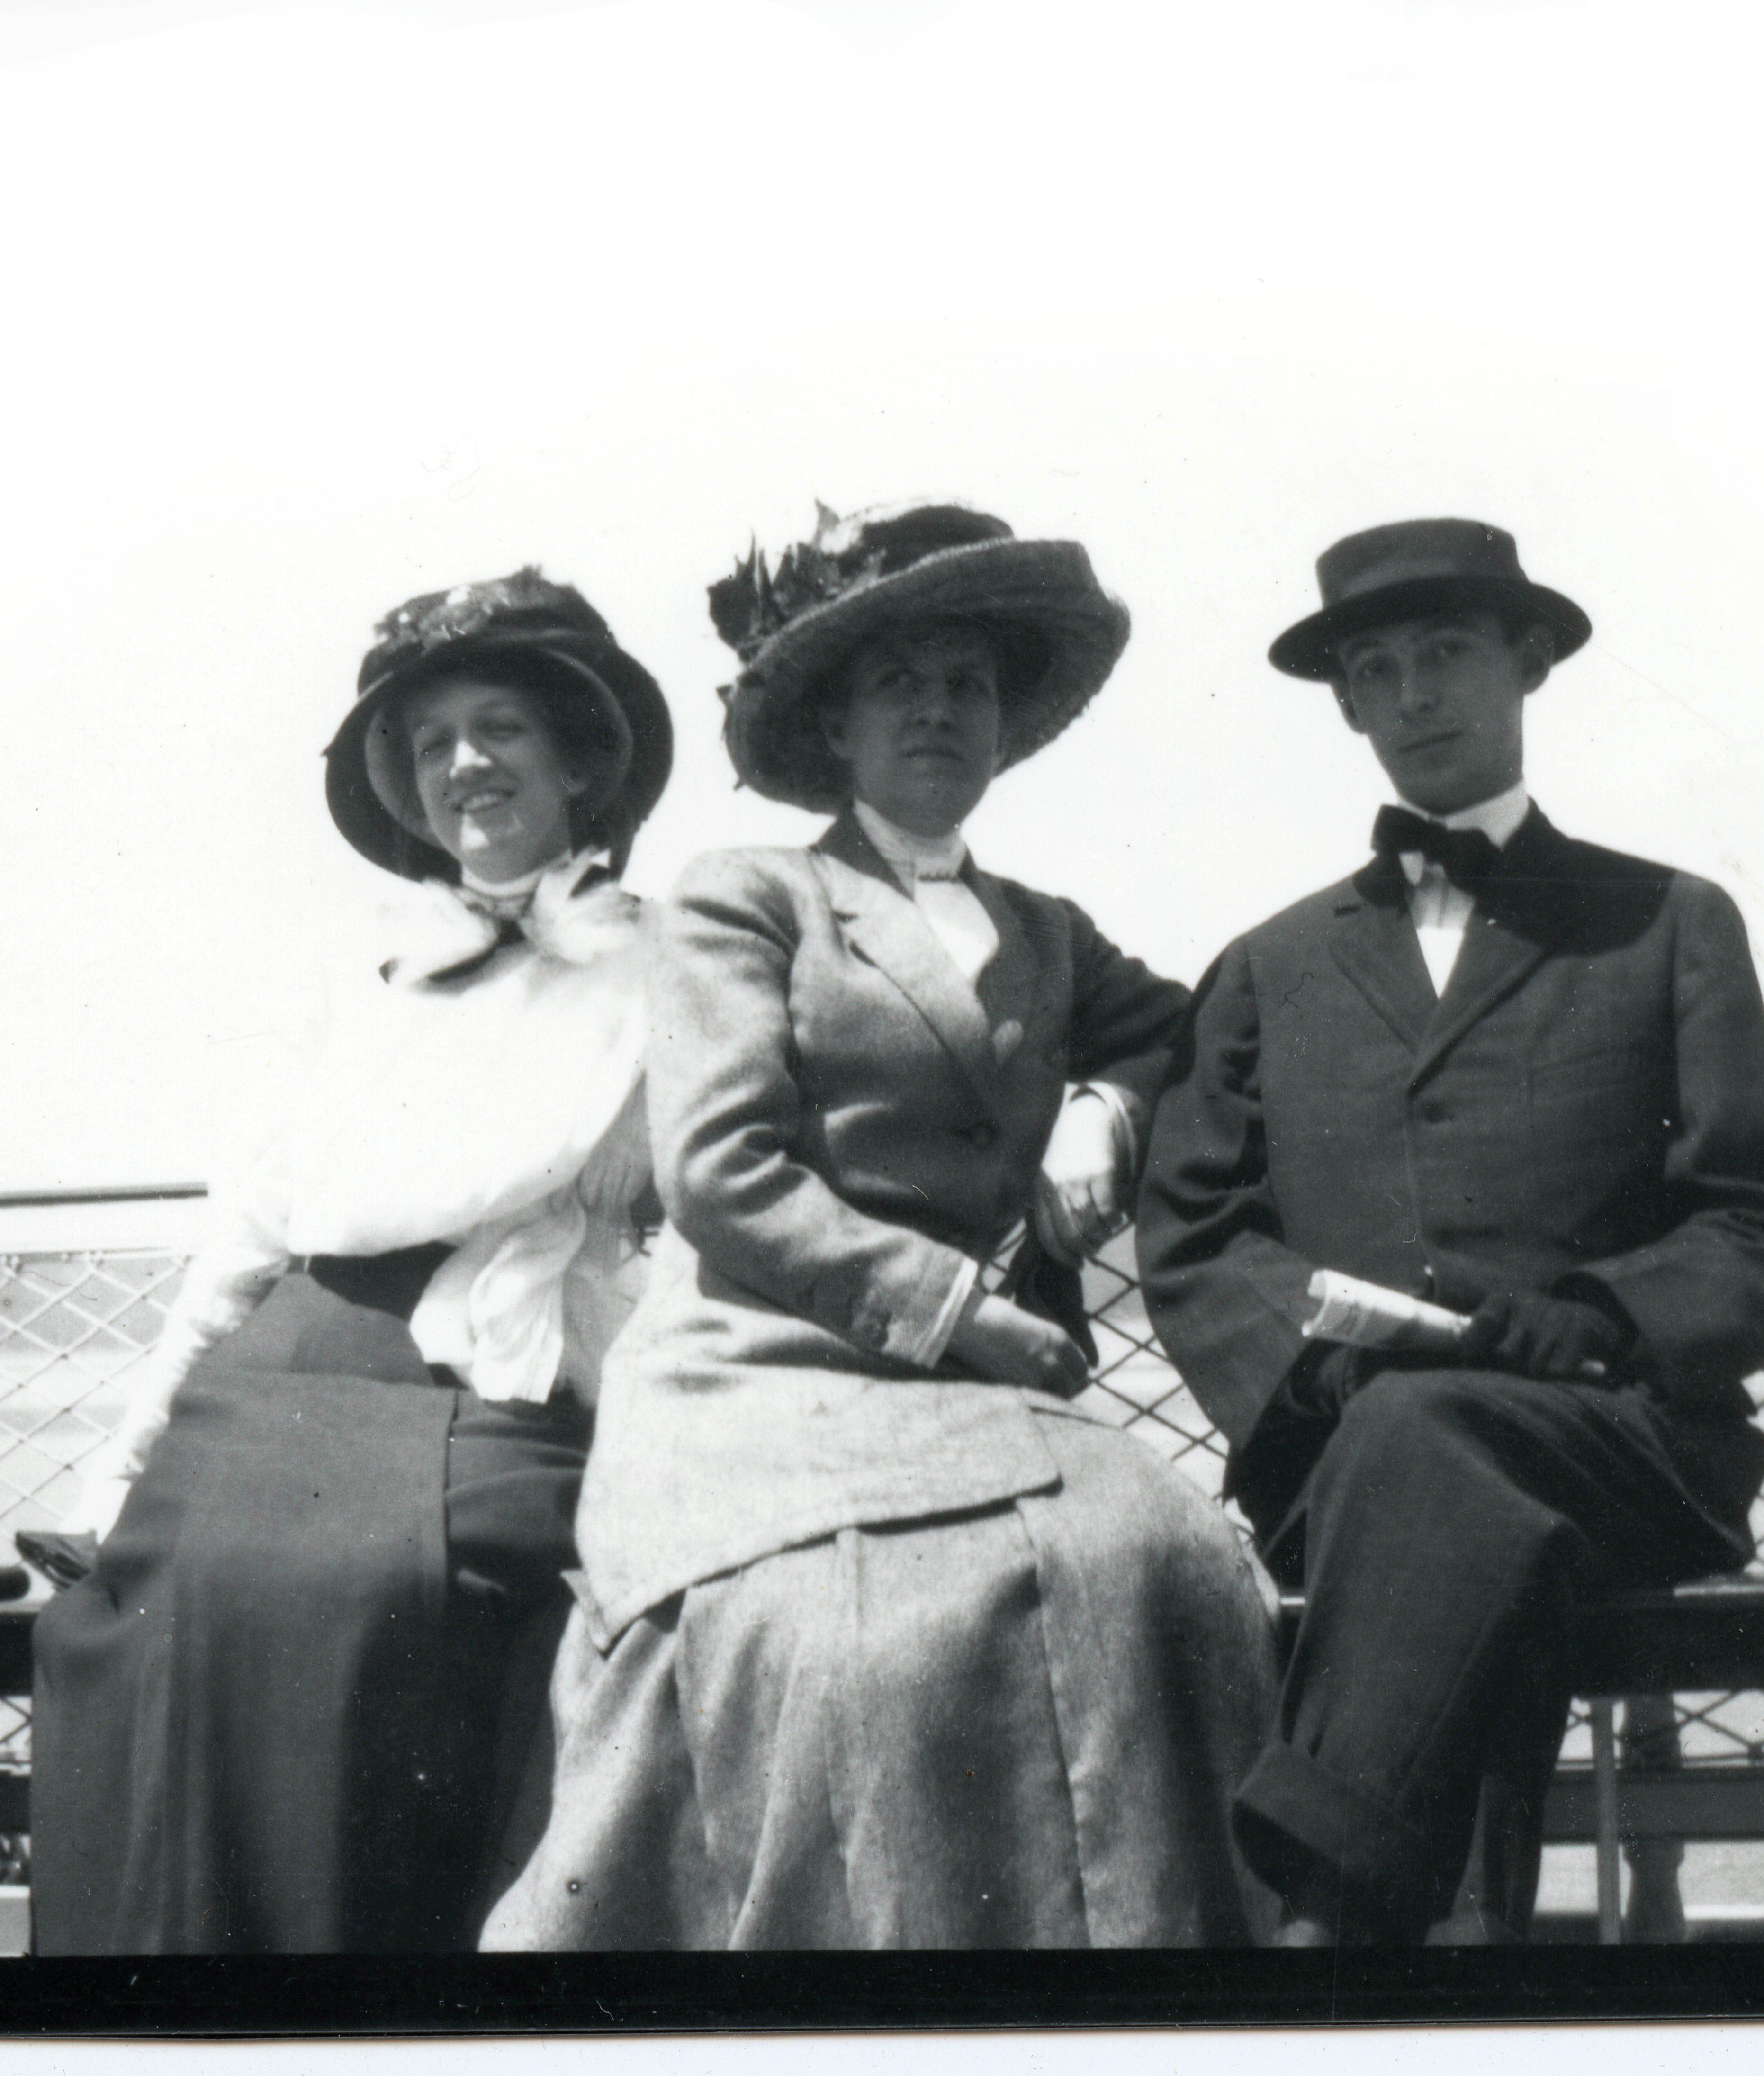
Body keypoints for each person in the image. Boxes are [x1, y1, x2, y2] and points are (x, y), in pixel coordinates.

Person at [486, 502, 1276, 1950]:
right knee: (866, 1646)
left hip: (970, 1401)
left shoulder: (1047, 930)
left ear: (1002, 724)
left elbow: (1204, 1037)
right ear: (838, 726)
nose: (937, 710)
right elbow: (721, 1171)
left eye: (965, 683)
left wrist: (1106, 1096)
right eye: (898, 682)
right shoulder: (751, 897)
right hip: (763, 1369)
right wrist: (959, 1310)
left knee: (1162, 1562)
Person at [1135, 517, 1764, 1945]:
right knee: (1418, 1463)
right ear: (1344, 705)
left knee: (1425, 1451)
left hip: (1627, 1442)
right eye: (1376, 670)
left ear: (1528, 665)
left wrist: (1610, 1310)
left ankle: (1320, 1921)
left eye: (1447, 654)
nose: (1414, 696)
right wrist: (1312, 1365)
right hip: (1355, 1447)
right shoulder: (1271, 965)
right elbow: (1194, 1232)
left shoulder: (1668, 924)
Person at [27, 569, 674, 1954]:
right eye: (434, 743)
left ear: (578, 760)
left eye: (501, 728)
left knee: (358, 1610)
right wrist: (122, 1462)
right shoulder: (359, 974)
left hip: (485, 1390)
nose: (468, 765)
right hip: (277, 1383)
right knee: (131, 1621)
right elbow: (248, 1236)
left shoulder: (672, 968)